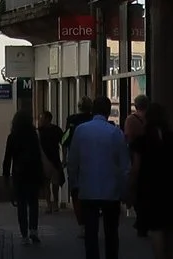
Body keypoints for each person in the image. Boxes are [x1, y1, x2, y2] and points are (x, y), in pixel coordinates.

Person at [62, 96, 130, 259]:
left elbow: (73, 161)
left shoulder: (81, 130)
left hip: (88, 190)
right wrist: (124, 191)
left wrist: (75, 184)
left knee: (91, 234)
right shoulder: (115, 132)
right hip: (111, 191)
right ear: (108, 112)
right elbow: (124, 167)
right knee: (111, 233)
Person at [129, 104, 173, 259]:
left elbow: (136, 168)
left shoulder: (142, 141)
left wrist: (131, 188)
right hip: (172, 187)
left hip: (150, 189)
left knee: (156, 228)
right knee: (170, 228)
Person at [1, 110, 48, 243]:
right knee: (33, 203)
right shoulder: (34, 135)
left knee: (21, 204)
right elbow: (38, 157)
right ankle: (34, 230)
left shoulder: (12, 137)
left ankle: (24, 234)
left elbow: (7, 158)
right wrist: (41, 175)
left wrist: (5, 176)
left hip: (19, 174)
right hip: (33, 173)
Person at [37, 111, 66, 214]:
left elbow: (63, 143)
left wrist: (64, 158)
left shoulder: (56, 130)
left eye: (42, 118)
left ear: (48, 119)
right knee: (46, 184)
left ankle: (55, 203)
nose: (39, 120)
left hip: (54, 160)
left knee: (55, 184)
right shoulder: (39, 131)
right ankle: (49, 204)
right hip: (43, 160)